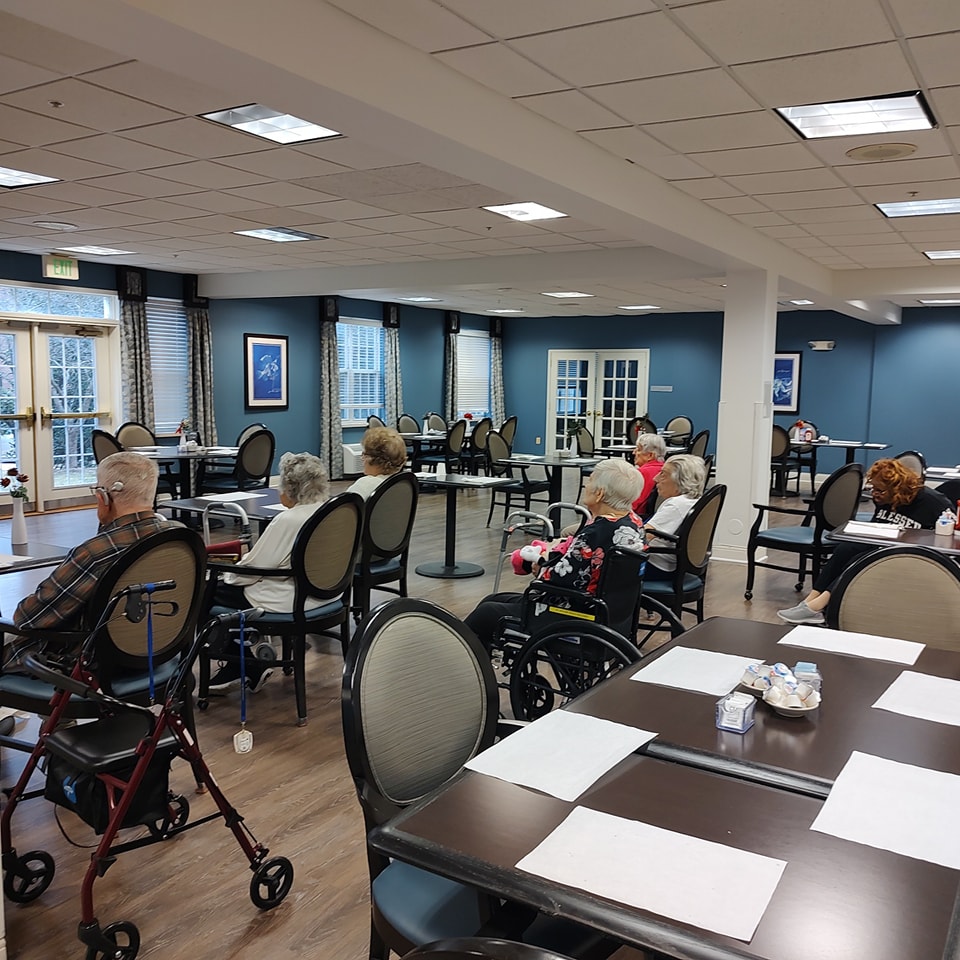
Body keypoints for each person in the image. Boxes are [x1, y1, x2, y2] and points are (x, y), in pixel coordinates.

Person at [464, 457, 645, 652]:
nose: (586, 484)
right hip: (613, 612)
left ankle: (465, 663)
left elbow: (560, 578)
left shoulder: (595, 532)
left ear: (600, 493)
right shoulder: (634, 523)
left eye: (590, 480)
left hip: (575, 612)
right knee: (495, 599)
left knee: (486, 612)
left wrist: (540, 567)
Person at [777, 458, 953, 625]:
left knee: (859, 559)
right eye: (872, 489)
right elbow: (879, 524)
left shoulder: (933, 502)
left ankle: (819, 606)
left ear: (897, 488)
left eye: (880, 491)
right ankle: (810, 601)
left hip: (911, 552)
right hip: (883, 542)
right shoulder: (884, 498)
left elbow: (950, 532)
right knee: (845, 549)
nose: (875, 495)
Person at [208, 451, 330, 692]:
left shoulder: (289, 520)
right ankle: (243, 662)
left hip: (290, 600)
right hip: (326, 595)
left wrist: (226, 574)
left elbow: (253, 569)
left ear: (290, 487)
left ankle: (241, 664)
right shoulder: (332, 511)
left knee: (207, 591)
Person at [14, 452, 175, 632]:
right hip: (161, 650)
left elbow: (29, 618)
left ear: (102, 497)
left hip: (80, 655)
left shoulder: (95, 553)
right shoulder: (177, 537)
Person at [643, 454, 706, 581]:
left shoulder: (676, 506)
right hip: (674, 564)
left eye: (663, 475)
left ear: (681, 480)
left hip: (657, 567)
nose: (655, 479)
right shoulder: (695, 501)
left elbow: (641, 537)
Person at [347, 426, 408, 500]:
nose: (362, 458)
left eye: (364, 454)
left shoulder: (364, 485)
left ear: (373, 458)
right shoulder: (405, 484)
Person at [632, 433, 667, 517]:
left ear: (650, 455)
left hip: (638, 517)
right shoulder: (665, 470)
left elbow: (632, 504)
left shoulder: (643, 473)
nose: (634, 452)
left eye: (638, 449)